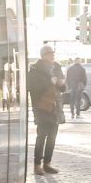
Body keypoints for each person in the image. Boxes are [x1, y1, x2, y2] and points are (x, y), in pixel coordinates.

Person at [26, 45, 62, 175]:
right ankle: (37, 165)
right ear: (43, 56)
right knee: (41, 136)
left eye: (53, 53)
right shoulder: (35, 69)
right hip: (41, 106)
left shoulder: (57, 67)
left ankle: (47, 163)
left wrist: (61, 84)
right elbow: (32, 87)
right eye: (50, 53)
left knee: (52, 137)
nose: (53, 55)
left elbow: (63, 87)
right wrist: (50, 83)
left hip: (54, 106)